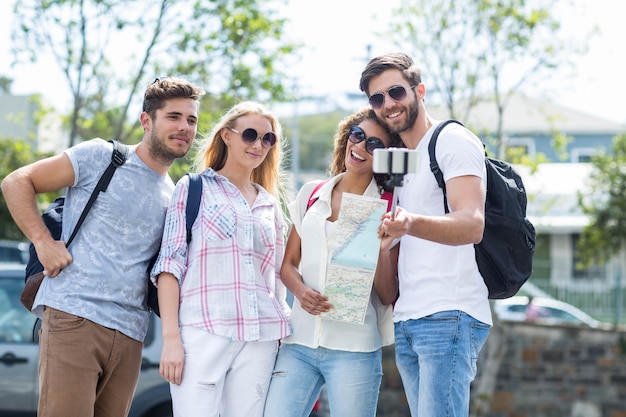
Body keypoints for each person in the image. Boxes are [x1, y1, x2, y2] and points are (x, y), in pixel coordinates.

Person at [0, 76, 205, 417]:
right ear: (146, 120)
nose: (184, 126)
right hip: (75, 317)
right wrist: (43, 243)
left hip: (131, 334)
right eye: (174, 116)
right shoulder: (104, 156)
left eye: (191, 119)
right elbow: (17, 181)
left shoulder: (176, 196)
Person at [359, 52, 492, 417]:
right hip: (409, 317)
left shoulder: (451, 139)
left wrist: (411, 223)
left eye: (396, 92)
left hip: (448, 312)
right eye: (377, 98)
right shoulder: (401, 156)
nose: (388, 104)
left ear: (419, 91)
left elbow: (472, 224)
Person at [151, 101, 291, 417]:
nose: (259, 145)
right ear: (227, 136)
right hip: (203, 333)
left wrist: (283, 329)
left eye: (268, 139)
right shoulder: (194, 187)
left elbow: (277, 277)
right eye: (251, 135)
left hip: (260, 338)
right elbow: (170, 266)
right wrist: (172, 340)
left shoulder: (270, 206)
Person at [263, 107, 401, 417]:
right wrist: (300, 292)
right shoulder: (311, 194)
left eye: (375, 144)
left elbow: (388, 294)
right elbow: (287, 266)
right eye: (358, 135)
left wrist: (381, 248)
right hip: (298, 342)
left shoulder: (388, 207)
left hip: (355, 350)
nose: (361, 147)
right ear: (347, 137)